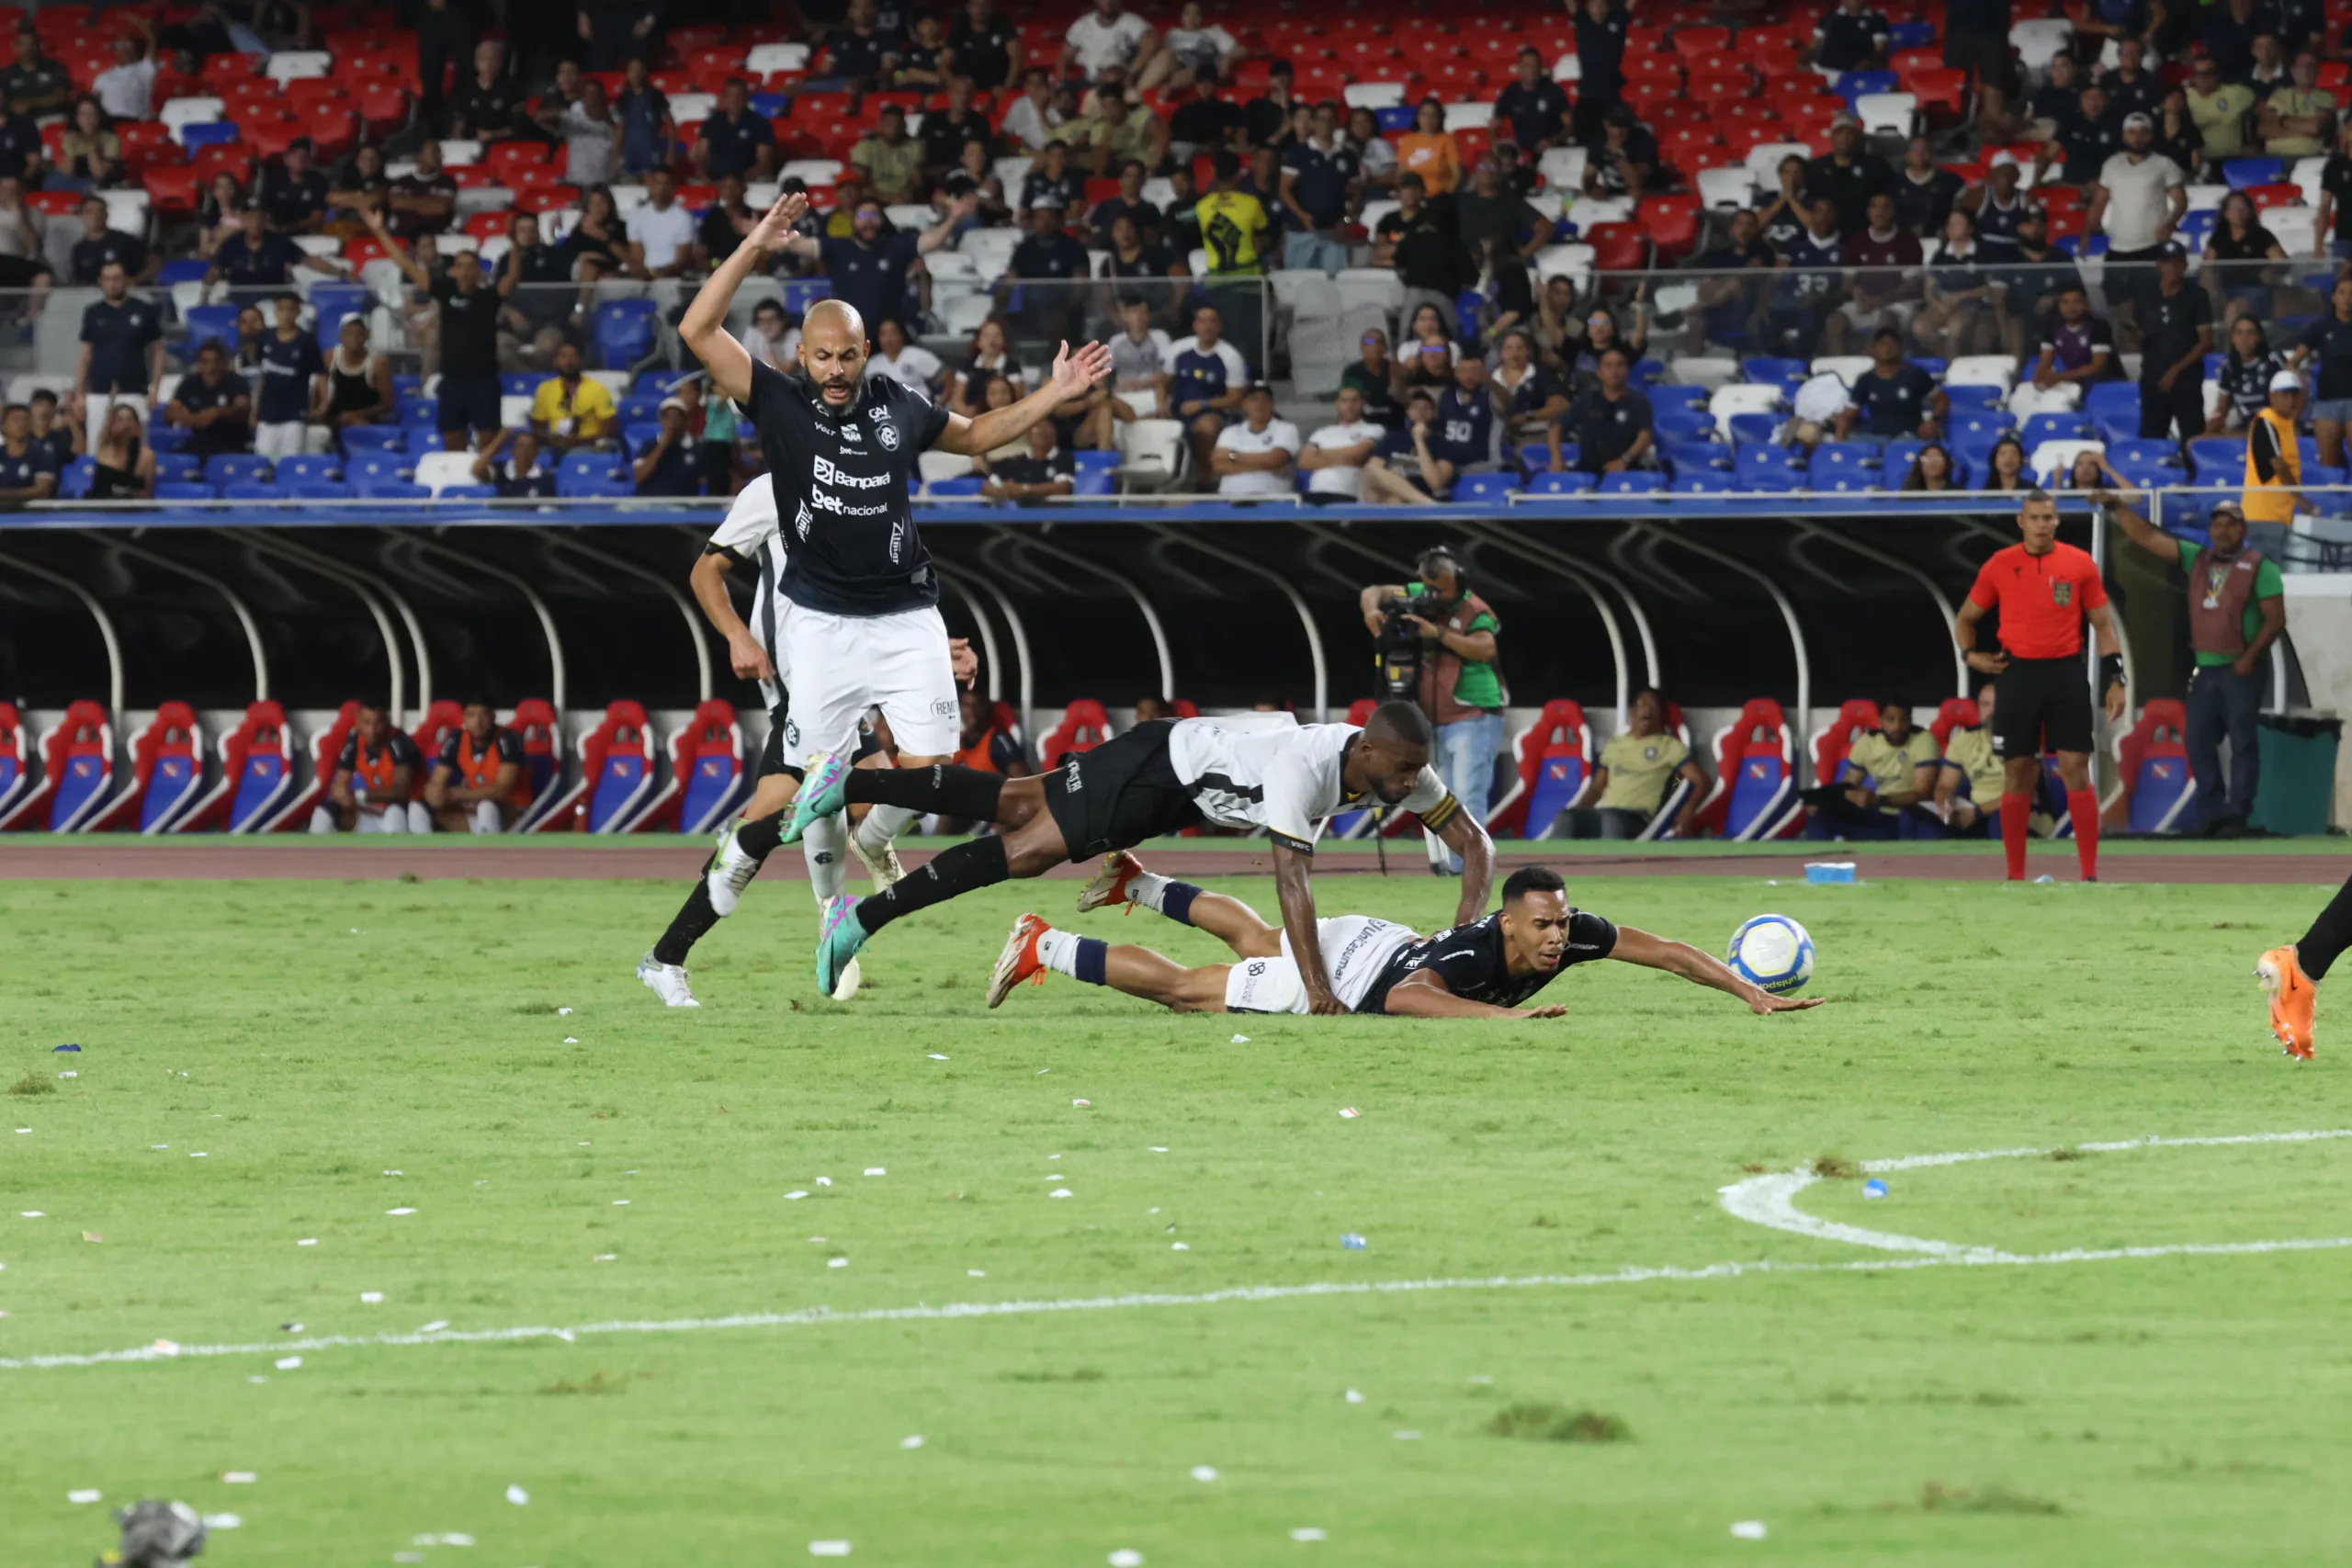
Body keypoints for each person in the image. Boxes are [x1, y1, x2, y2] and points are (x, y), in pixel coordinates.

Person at [662, 188, 1113, 1001]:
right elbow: (696, 331)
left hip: (908, 616)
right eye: (822, 357)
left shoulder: (899, 407)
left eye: (848, 356)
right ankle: (748, 908)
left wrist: (1055, 392)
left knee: (933, 773)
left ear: (868, 350)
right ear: (802, 357)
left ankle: (855, 814)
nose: (835, 370)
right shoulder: (780, 405)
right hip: (826, 631)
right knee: (789, 793)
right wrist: (758, 244)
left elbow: (975, 436)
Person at [789, 693, 1497, 1009]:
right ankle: (858, 916)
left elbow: (1476, 844)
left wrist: (1464, 930)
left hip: (1178, 782)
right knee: (1026, 845)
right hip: (1161, 769)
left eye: (1414, 775)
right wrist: (1316, 990)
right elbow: (1291, 885)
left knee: (1014, 802)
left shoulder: (1398, 763)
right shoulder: (1304, 768)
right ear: (1367, 748)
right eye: (1400, 772)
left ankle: (848, 788)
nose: (1409, 786)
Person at [991, 860, 1822, 1019]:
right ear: (1507, 920)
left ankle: (1137, 881)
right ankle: (1044, 944)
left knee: (1255, 932)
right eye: (1543, 924)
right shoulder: (1474, 953)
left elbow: (1670, 950)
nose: (1557, 936)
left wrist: (1748, 990)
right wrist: (1504, 1020)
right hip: (1361, 973)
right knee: (1189, 989)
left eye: (1562, 922)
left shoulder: (1570, 934)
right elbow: (1405, 998)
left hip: (1370, 934)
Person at [1952, 490, 2128, 882]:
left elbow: (2102, 624)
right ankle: (2016, 876)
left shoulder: (2079, 563)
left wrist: (2116, 677)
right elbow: (1966, 618)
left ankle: (2089, 874)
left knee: (2075, 769)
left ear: (2057, 521)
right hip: (2016, 675)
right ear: (2021, 521)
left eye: (2049, 518)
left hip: (2065, 673)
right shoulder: (2000, 565)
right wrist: (1970, 656)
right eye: (2035, 518)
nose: (2043, 525)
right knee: (2017, 771)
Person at [2101, 491, 2285, 839]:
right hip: (2205, 668)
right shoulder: (2196, 559)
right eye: (2218, 523)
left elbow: (2275, 620)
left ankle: (2238, 814)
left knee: (2243, 743)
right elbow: (2149, 538)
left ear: (2243, 529)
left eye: (2231, 524)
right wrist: (2117, 507)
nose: (2224, 530)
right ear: (2210, 529)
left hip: (2241, 668)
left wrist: (2249, 658)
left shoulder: (2261, 567)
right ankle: (2212, 811)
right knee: (2198, 741)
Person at [366, 207, 506, 451]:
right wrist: (380, 232)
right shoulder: (445, 290)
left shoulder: (488, 296)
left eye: (469, 265)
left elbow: (512, 279)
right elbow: (407, 266)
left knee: (488, 447)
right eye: (459, 265)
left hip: (485, 381)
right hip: (453, 381)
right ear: (453, 271)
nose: (464, 271)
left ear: (478, 270)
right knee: (452, 446)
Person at [1551, 687, 1704, 840]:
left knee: (1611, 820)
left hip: (1638, 818)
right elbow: (1597, 787)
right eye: (1641, 704)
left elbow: (1700, 780)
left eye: (1652, 705)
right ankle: (1553, 863)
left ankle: (1611, 864)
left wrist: (1687, 812)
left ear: (1660, 714)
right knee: (1566, 818)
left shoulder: (1670, 746)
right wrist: (1581, 810)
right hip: (1605, 813)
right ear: (1632, 711)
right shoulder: (1614, 744)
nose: (1646, 709)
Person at [1805, 700, 1943, 840]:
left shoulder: (1923, 740)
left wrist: (1876, 799)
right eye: (1890, 720)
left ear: (1910, 721)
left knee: (1911, 818)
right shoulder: (1867, 742)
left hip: (1914, 815)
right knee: (1819, 815)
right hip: (1880, 815)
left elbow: (1922, 793)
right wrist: (1824, 802)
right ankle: (1819, 859)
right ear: (1880, 721)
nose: (1897, 727)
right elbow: (1848, 787)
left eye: (1903, 720)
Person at [69, 260, 161, 448]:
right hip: (99, 391)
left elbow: (157, 350)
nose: (112, 283)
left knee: (136, 447)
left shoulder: (143, 310)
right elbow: (85, 354)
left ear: (126, 280)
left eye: (117, 278)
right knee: (96, 446)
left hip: (135, 390)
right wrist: (80, 394)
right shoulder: (93, 313)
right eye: (107, 279)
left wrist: (156, 388)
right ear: (101, 282)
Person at [310, 703, 426, 834]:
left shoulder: (399, 741)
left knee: (395, 814)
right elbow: (338, 788)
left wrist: (359, 796)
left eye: (378, 723)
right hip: (371, 810)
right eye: (367, 723)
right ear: (358, 722)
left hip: (404, 811)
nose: (372, 730)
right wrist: (343, 797)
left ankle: (398, 854)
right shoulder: (354, 742)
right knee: (323, 814)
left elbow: (401, 791)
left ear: (387, 722)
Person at [2138, 244, 2213, 442]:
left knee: (2192, 436)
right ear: (2158, 265)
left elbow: (2205, 342)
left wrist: (2175, 371)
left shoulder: (2197, 295)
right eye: (2166, 262)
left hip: (2187, 379)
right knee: (2151, 437)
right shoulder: (2145, 294)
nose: (2172, 267)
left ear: (2185, 265)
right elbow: (2139, 330)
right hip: (2152, 375)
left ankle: (2194, 473)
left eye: (2177, 262)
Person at [1167, 302, 1250, 476]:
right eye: (1202, 321)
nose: (1207, 326)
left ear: (1219, 326)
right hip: (1176, 410)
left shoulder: (1230, 356)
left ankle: (1206, 477)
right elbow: (1163, 381)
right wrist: (1162, 403)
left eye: (1212, 321)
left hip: (1213, 412)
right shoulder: (1178, 349)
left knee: (1208, 427)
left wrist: (1202, 404)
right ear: (1195, 325)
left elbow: (1236, 398)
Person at [423, 700, 529, 833]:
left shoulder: (507, 738)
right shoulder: (457, 739)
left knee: (487, 806)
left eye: (483, 715)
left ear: (493, 717)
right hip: (475, 804)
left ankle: (491, 849)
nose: (477, 722)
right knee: (429, 810)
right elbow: (436, 781)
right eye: (471, 715)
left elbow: (502, 790)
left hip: (513, 809)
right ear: (464, 719)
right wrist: (434, 794)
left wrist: (457, 794)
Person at [1277, 99, 1356, 276]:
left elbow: (1355, 193)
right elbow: (1284, 190)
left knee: (1334, 289)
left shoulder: (1347, 156)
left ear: (1337, 123)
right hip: (1301, 232)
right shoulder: (1298, 153)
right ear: (1313, 122)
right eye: (1320, 119)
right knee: (1298, 287)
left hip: (1334, 235)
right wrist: (1303, 216)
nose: (1325, 124)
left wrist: (1345, 222)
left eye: (1330, 119)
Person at [1557, 344, 1653, 476]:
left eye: (1620, 365)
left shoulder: (1639, 402)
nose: (1614, 371)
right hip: (1587, 470)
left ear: (1627, 371)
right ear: (1600, 373)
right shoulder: (1586, 400)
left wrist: (1624, 460)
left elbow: (1645, 436)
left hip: (1627, 469)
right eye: (1608, 366)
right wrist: (1556, 458)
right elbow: (1556, 426)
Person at [252, 292, 323, 460]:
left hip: (294, 414)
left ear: (297, 312)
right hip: (268, 413)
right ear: (275, 312)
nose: (286, 314)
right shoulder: (265, 337)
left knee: (290, 460)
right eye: (281, 309)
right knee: (263, 460)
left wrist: (322, 407)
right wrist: (254, 410)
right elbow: (262, 375)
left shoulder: (307, 341)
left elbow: (320, 374)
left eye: (290, 310)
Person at [1931, 682, 2006, 837]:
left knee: (2000, 820)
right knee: (1930, 823)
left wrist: (1978, 812)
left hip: (2016, 811)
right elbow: (1945, 785)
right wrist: (1945, 805)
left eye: (1998, 704)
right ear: (1978, 709)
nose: (1992, 711)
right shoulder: (1964, 738)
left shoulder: (2023, 737)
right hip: (1975, 812)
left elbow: (2022, 793)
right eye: (1985, 705)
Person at [2204, 188, 2287, 323]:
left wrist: (2272, 271)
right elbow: (2208, 267)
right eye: (2233, 208)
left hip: (2254, 291)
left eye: (2242, 208)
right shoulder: (2219, 237)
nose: (2238, 212)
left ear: (2250, 211)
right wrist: (2212, 290)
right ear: (2225, 213)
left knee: (2235, 309)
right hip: (2223, 290)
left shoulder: (2261, 235)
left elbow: (2281, 261)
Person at [2295, 276, 2352, 468]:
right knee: (2328, 464)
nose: (2348, 298)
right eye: (2342, 293)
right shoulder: (2320, 327)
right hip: (2327, 401)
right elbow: (2295, 361)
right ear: (2334, 297)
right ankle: (2333, 496)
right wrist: (2299, 384)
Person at [1362, 387, 1453, 503]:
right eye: (1415, 408)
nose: (1421, 412)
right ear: (1408, 412)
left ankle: (1422, 502)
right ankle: (1426, 503)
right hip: (1390, 494)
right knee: (1371, 469)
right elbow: (1374, 470)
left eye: (1426, 408)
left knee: (1396, 501)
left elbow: (1436, 483)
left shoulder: (1442, 443)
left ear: (1434, 413)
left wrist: (1419, 441)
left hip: (1420, 493)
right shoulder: (1392, 438)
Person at [1211, 380, 1298, 497]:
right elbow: (1218, 466)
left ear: (1272, 405)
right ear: (1244, 404)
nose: (1259, 404)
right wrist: (1267, 467)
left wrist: (1232, 456)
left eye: (1265, 399)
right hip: (1231, 500)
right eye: (1254, 399)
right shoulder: (1230, 432)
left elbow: (1274, 460)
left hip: (1273, 501)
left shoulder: (1287, 429)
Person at [165, 339, 251, 458]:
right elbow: (170, 412)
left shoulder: (237, 382)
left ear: (224, 363)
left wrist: (218, 413)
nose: (211, 367)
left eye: (216, 362)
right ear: (199, 364)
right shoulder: (190, 382)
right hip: (198, 445)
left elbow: (243, 410)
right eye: (206, 362)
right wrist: (183, 417)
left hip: (230, 447)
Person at [1298, 385, 1384, 502]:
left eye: (1354, 401)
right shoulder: (1321, 433)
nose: (1349, 406)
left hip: (1349, 495)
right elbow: (1304, 461)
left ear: (1362, 403)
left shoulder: (1373, 429)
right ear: (1337, 403)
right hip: (1315, 493)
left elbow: (1356, 456)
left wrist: (1319, 456)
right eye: (1344, 401)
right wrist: (1345, 456)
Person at [2031, 286, 2118, 400]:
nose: (2071, 308)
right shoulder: (2052, 326)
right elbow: (2045, 360)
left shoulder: (2098, 326)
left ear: (2086, 304)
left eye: (2077, 302)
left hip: (2104, 382)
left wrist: (2060, 377)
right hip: (2072, 379)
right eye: (2065, 303)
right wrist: (2041, 374)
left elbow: (2098, 366)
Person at [530, 342, 616, 453]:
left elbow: (609, 430)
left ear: (581, 361)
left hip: (587, 445)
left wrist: (579, 441)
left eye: (573, 357)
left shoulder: (597, 389)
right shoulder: (544, 389)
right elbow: (538, 427)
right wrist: (551, 439)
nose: (568, 362)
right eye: (563, 357)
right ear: (555, 362)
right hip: (555, 445)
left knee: (576, 453)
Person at [2211, 315, 2289, 434]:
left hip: (2272, 424)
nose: (2244, 338)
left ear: (2259, 337)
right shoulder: (2228, 365)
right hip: (2242, 425)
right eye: (2239, 333)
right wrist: (2216, 419)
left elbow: (2292, 397)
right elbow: (2223, 406)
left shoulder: (2274, 361)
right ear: (2233, 338)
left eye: (2250, 333)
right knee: (2196, 442)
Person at [2258, 48, 2336, 157]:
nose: (2305, 70)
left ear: (2318, 70)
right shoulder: (2279, 94)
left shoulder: (2326, 97)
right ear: (2292, 70)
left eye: (2310, 65)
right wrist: (2302, 128)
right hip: (2273, 156)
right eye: (2300, 65)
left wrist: (2281, 121)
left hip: (2309, 157)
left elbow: (2315, 127)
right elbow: (2264, 129)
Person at [978, 420, 1075, 503]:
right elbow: (987, 488)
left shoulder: (1063, 457)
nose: (1042, 431)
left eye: (1046, 428)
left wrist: (1024, 490)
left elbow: (1063, 488)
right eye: (1037, 429)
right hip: (1019, 518)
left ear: (1055, 434)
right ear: (1028, 435)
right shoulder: (1016, 461)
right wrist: (1007, 493)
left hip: (1055, 517)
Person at [632, 396, 703, 496]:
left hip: (679, 506)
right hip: (645, 504)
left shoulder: (697, 449)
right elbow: (638, 477)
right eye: (667, 417)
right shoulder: (649, 445)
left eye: (677, 417)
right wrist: (661, 447)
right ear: (661, 420)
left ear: (685, 421)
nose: (672, 423)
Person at [67, 196, 145, 286]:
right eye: (89, 211)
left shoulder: (125, 240)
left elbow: (154, 262)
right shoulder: (79, 249)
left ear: (106, 215)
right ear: (81, 215)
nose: (95, 216)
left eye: (99, 211)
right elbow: (79, 280)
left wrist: (135, 281)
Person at [1396, 96, 1461, 197]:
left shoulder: (1447, 140)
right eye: (1424, 114)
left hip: (1440, 198)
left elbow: (1457, 175)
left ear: (1439, 118)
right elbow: (1400, 175)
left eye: (1433, 115)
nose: (1428, 119)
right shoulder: (1408, 141)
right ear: (1418, 117)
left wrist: (1446, 195)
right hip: (1413, 198)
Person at [86, 400, 151, 499]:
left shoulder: (146, 455)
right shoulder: (104, 447)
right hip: (99, 505)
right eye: (120, 419)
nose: (125, 424)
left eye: (130, 419)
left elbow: (147, 493)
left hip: (130, 508)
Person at [472, 426, 555, 497]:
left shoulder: (545, 479)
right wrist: (499, 440)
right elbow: (476, 470)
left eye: (529, 447)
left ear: (536, 453)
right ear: (513, 452)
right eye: (520, 446)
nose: (524, 451)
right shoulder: (500, 470)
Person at [0, 400, 54, 500]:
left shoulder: (42, 454)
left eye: (26, 420)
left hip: (31, 514)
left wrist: (4, 495)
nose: (21, 424)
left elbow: (42, 491)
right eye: (15, 420)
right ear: (3, 426)